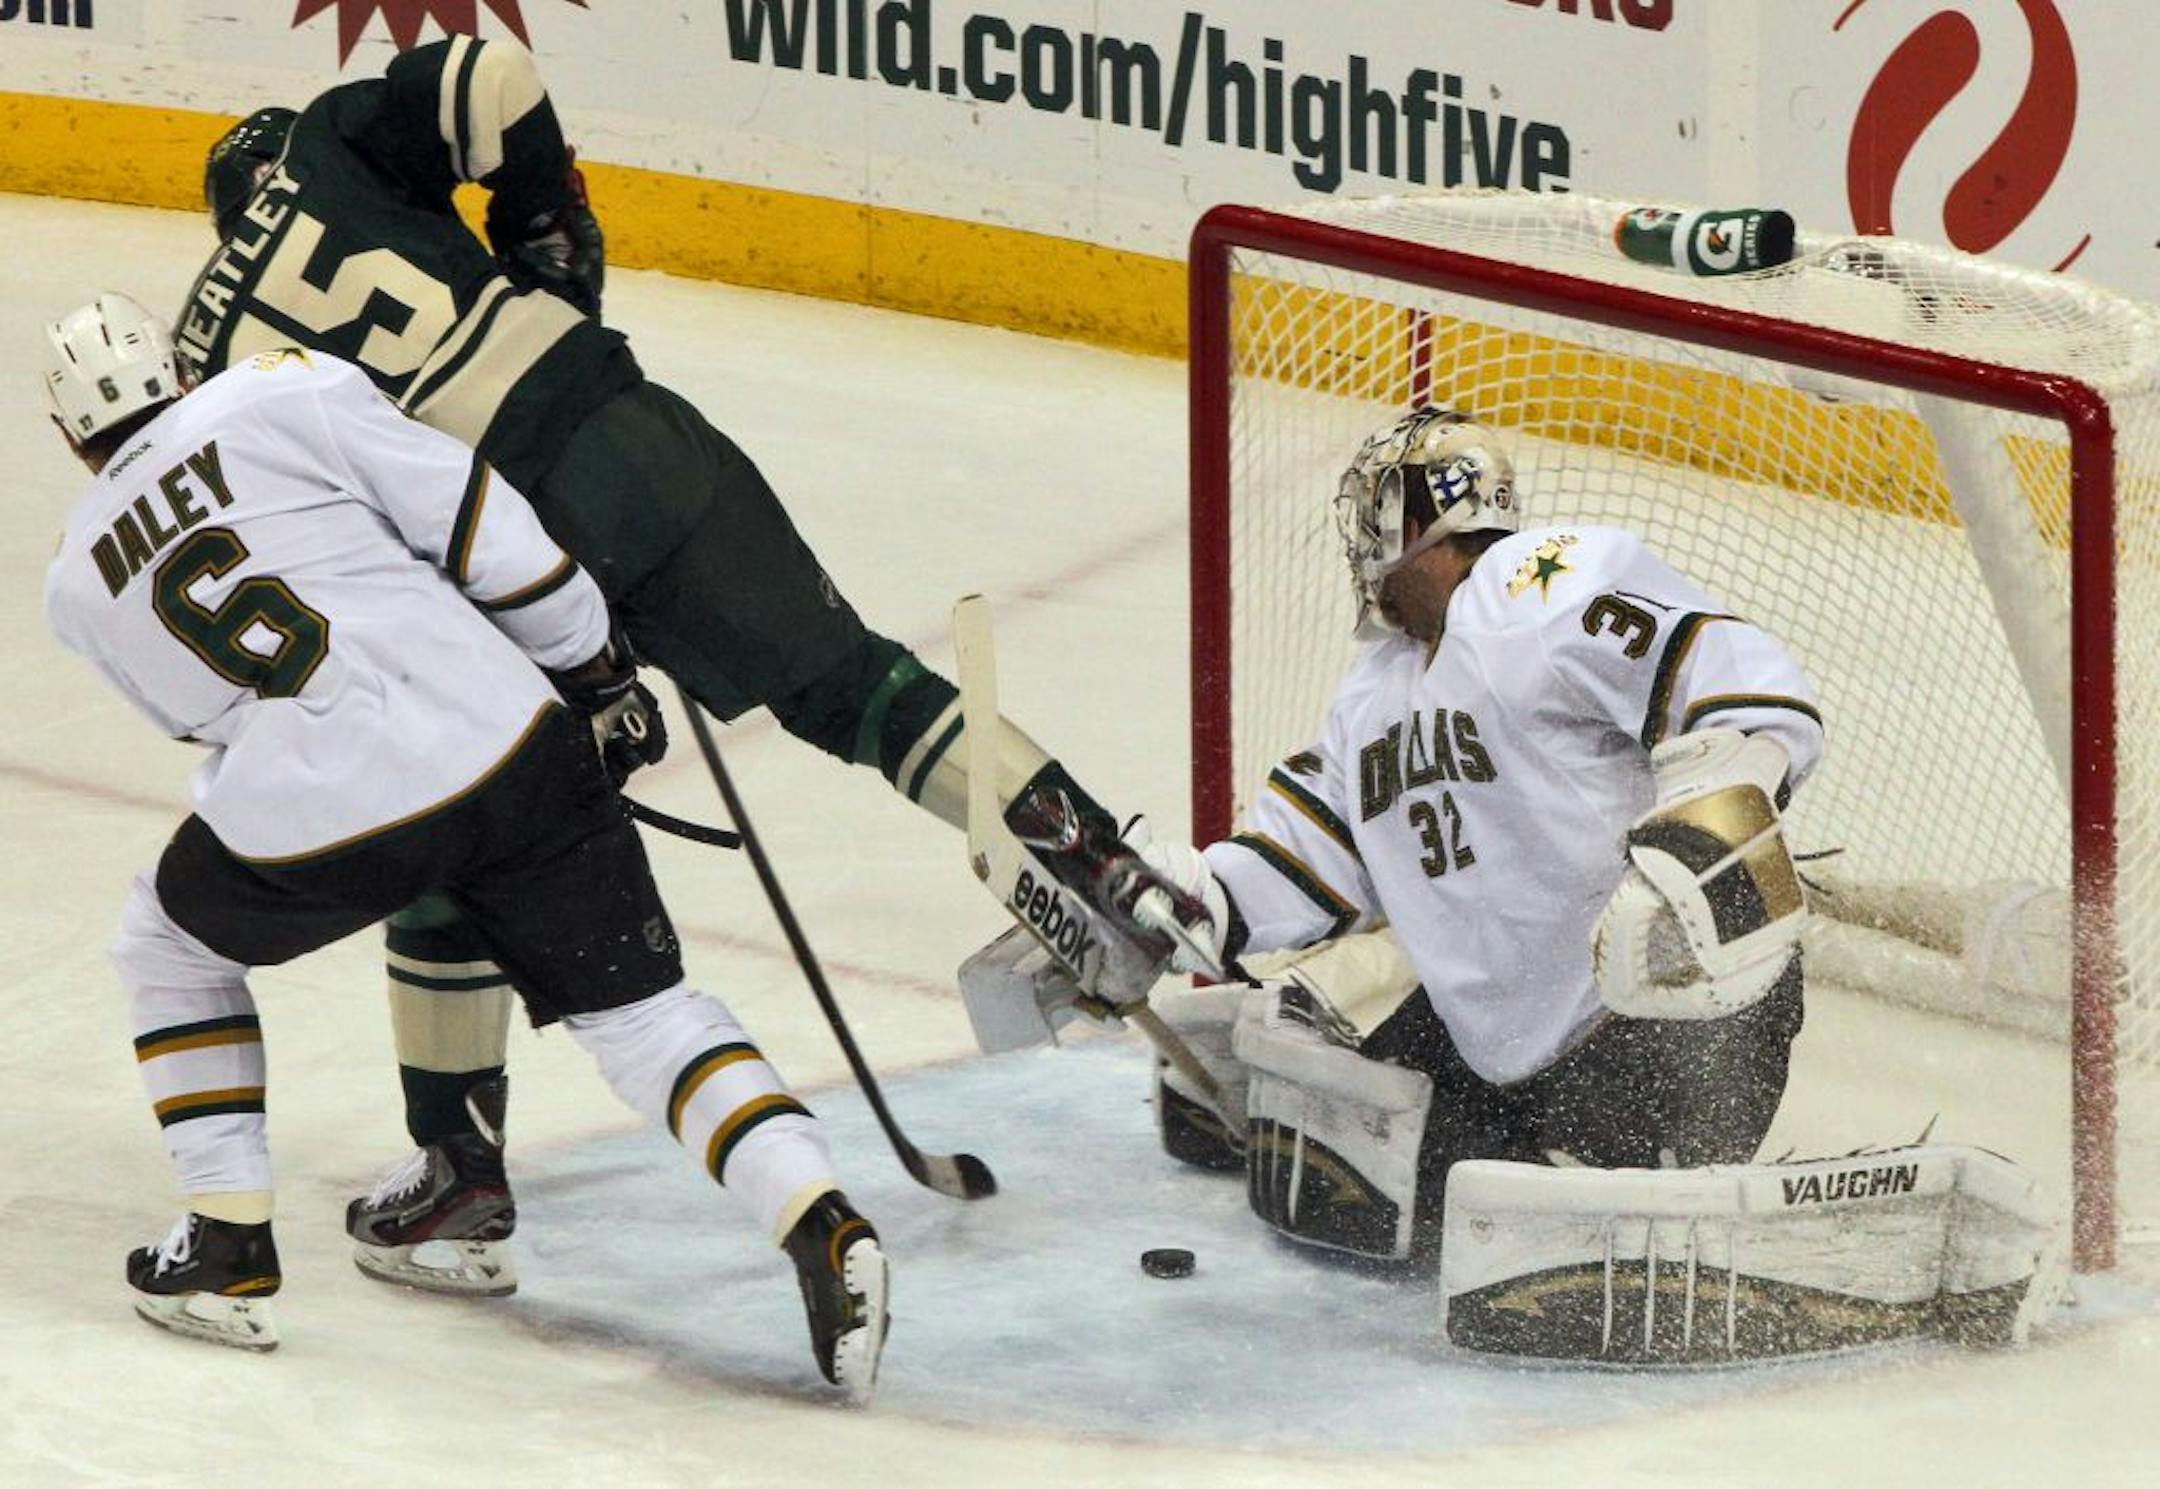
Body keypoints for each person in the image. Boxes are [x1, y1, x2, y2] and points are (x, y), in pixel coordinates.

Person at [180, 36, 1169, 1286]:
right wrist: (546, 223)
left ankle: (461, 1174)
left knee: (456, 847)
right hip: (627, 435)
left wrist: (556, 665)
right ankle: (1096, 860)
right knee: (856, 684)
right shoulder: (335, 141)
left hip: (496, 554)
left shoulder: (207, 366)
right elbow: (488, 74)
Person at [40, 293, 888, 1396]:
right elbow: (482, 525)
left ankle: (227, 1241)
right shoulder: (281, 388)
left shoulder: (78, 584)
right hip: (507, 741)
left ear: (69, 436)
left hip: (325, 808)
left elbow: (205, 712)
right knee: (644, 1018)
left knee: (168, 945)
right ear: (180, 369)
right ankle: (820, 1218)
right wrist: (595, 669)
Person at [1126, 404, 1824, 1265]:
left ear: (1414, 523)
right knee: (1345, 1199)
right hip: (1502, 1061)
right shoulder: (1374, 689)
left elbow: (1752, 690)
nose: (1361, 550)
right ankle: (1530, 1164)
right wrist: (1161, 899)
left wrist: (1703, 840)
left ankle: (1644, 1194)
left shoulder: (1537, 587)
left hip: (1660, 1042)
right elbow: (1297, 864)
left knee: (1477, 1229)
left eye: (1374, 518)